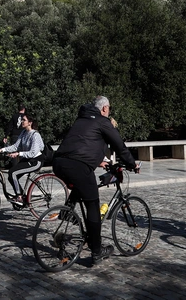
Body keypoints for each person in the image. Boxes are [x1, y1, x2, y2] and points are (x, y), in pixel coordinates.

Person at [53, 96, 138, 263]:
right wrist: (132, 164)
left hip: (59, 163)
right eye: (109, 108)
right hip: (77, 166)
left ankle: (67, 212)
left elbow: (83, 144)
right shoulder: (102, 121)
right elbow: (119, 145)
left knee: (81, 187)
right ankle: (97, 251)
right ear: (105, 108)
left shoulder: (82, 119)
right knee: (92, 205)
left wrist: (98, 160)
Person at [0, 112, 44, 206]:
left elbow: (33, 153)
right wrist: (2, 150)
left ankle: (19, 197)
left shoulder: (35, 135)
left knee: (13, 172)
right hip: (27, 159)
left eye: (24, 120)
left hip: (36, 161)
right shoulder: (23, 132)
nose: (21, 121)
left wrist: (18, 153)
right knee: (11, 175)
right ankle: (22, 196)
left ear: (30, 123)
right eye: (21, 120)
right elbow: (15, 146)